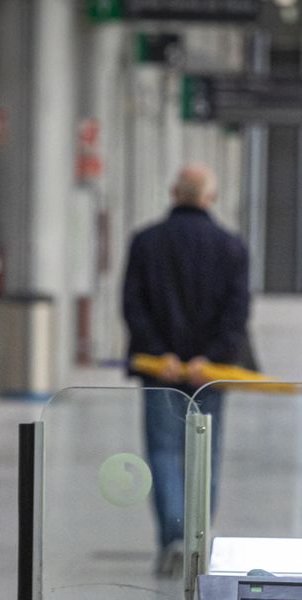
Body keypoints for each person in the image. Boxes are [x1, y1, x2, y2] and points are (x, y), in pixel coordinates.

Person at [122, 163, 254, 575]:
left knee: (163, 452)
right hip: (210, 372)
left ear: (173, 192)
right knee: (206, 453)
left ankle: (173, 538)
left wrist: (162, 355)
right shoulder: (231, 246)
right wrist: (208, 358)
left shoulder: (145, 242)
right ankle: (198, 538)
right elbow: (237, 312)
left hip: (158, 369)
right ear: (210, 198)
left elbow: (133, 305)